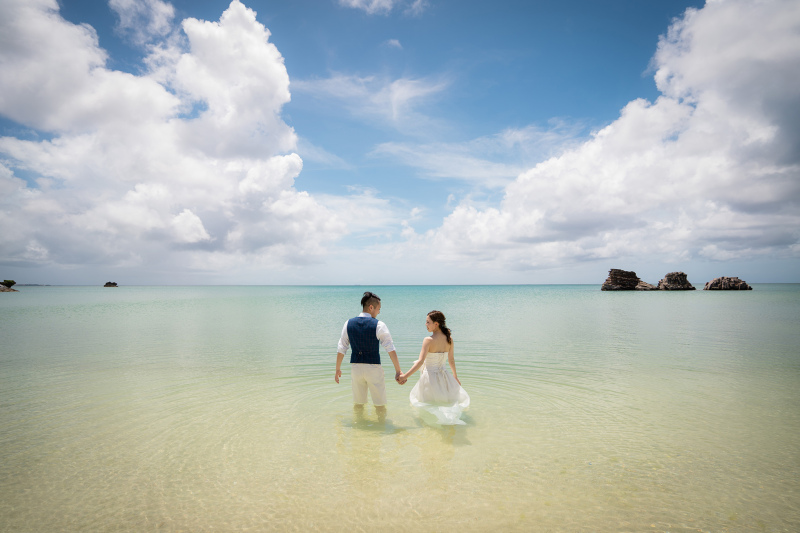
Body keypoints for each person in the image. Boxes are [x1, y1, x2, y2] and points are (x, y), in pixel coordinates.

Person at [335, 292, 404, 414]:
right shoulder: (379, 325)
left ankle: (359, 428)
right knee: (380, 404)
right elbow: (390, 349)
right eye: (378, 309)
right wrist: (398, 371)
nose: (379, 312)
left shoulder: (348, 323)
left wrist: (337, 369)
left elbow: (342, 348)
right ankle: (381, 428)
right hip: (373, 368)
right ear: (371, 307)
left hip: (356, 368)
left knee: (358, 403)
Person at [399, 310, 470, 425]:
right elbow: (451, 360)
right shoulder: (449, 339)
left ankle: (429, 427)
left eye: (428, 322)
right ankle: (447, 424)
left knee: (426, 405)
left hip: (429, 378)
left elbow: (420, 362)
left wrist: (404, 376)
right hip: (445, 377)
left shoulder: (428, 340)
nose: (425, 324)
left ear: (436, 324)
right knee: (445, 404)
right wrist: (455, 377)